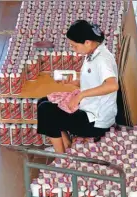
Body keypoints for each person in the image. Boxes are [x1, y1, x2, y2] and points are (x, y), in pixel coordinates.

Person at [37, 20, 119, 153]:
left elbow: (112, 85)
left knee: (45, 110)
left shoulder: (102, 59)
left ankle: (61, 157)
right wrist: (74, 81)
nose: (73, 49)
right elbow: (94, 81)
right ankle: (66, 144)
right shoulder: (92, 54)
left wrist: (81, 94)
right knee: (44, 101)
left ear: (87, 42)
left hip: (95, 121)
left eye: (74, 46)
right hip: (88, 108)